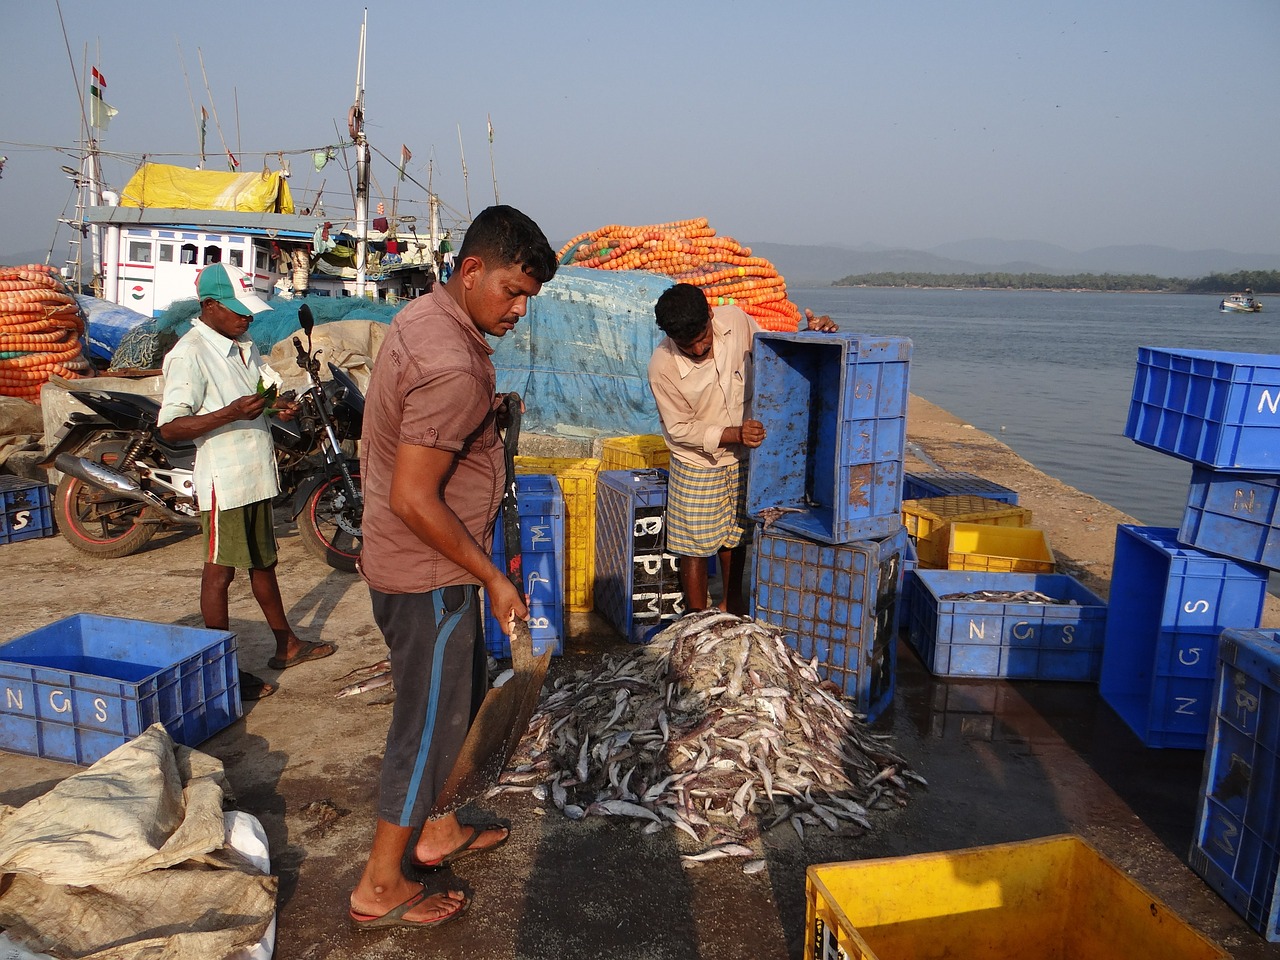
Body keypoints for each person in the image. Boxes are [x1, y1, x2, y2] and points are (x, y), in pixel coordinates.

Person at [349, 205, 557, 931]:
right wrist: (494, 577)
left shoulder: (422, 317)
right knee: (427, 727)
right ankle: (380, 883)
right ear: (471, 271)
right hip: (427, 575)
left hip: (407, 563)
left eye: (529, 296)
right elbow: (415, 496)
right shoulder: (455, 365)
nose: (519, 310)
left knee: (452, 704)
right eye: (511, 291)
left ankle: (435, 829)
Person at [158, 264, 337, 700]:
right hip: (225, 478)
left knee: (263, 562)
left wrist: (275, 409)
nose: (247, 318)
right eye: (237, 310)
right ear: (210, 306)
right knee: (219, 573)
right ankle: (221, 674)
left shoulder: (242, 345)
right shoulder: (190, 353)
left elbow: (256, 395)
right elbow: (170, 427)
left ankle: (286, 643)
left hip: (256, 472)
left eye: (248, 310)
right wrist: (231, 413)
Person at [647, 283, 837, 615]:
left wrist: (812, 336)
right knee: (694, 545)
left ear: (710, 313)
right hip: (697, 461)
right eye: (687, 345)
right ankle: (697, 617)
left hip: (744, 455)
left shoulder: (736, 320)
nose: (698, 349)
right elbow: (680, 429)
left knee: (735, 535)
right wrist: (733, 432)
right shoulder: (661, 366)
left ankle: (731, 603)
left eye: (702, 338)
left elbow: (774, 357)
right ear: (671, 338)